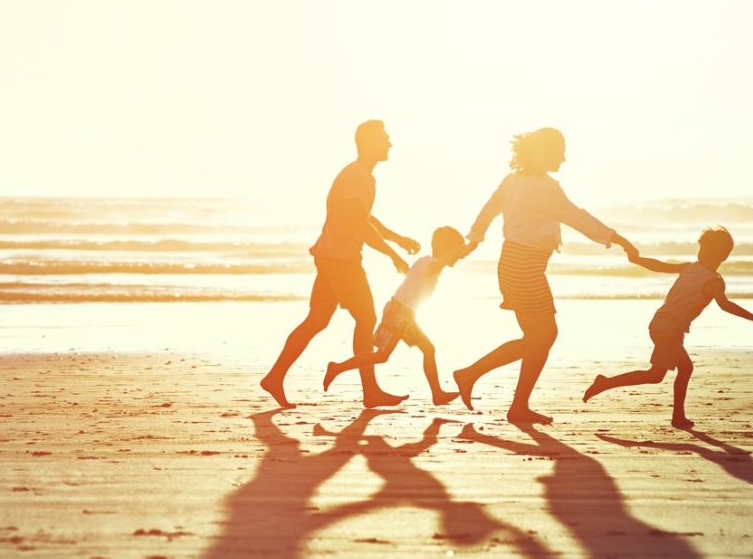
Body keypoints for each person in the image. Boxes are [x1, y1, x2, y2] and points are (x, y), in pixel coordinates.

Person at [452, 127, 634, 426]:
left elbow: (489, 209)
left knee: (539, 337)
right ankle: (488, 386)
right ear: (542, 153)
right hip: (523, 266)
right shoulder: (545, 187)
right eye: (559, 151)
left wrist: (474, 238)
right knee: (543, 336)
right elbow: (576, 216)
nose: (563, 158)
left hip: (514, 264)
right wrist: (618, 239)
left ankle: (486, 384)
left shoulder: (512, 181)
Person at [260, 120, 420, 409]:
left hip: (330, 256)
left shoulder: (359, 175)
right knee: (366, 318)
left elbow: (365, 218)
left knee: (318, 319)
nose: (390, 144)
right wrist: (392, 254)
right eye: (385, 138)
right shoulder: (358, 177)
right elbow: (358, 224)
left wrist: (397, 239)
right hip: (341, 260)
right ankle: (370, 391)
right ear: (368, 141)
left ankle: (274, 376)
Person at [583, 226, 753, 428]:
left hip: (660, 322)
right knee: (655, 375)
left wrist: (638, 259)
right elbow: (725, 305)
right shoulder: (714, 281)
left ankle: (678, 416)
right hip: (670, 327)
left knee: (684, 368)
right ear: (725, 256)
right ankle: (606, 383)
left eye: (702, 249)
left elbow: (659, 266)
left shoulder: (689, 267)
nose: (699, 253)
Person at [322, 226, 469, 405]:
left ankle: (437, 394)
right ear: (445, 249)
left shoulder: (426, 262)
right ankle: (337, 368)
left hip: (405, 314)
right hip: (400, 314)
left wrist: (471, 244)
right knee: (382, 356)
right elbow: (437, 265)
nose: (457, 258)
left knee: (428, 349)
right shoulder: (431, 264)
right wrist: (454, 252)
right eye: (454, 252)